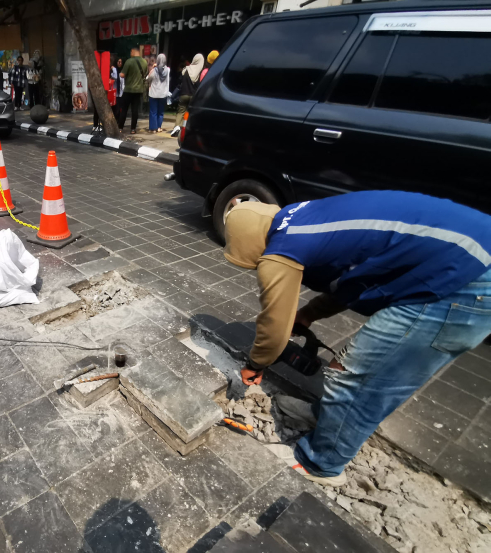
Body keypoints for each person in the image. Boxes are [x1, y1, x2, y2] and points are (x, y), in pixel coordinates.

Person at [221, 191, 491, 487]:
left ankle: (321, 464)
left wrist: (255, 365)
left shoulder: (280, 253)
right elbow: (352, 278)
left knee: (360, 378)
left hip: (464, 280)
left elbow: (274, 327)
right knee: (353, 369)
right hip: (465, 255)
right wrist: (309, 313)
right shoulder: (298, 217)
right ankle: (324, 416)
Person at [170, 53, 204, 137]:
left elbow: (179, 81)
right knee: (190, 113)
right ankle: (187, 129)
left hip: (183, 94)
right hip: (193, 96)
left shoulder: (186, 69)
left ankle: (177, 127)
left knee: (180, 112)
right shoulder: (199, 72)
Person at [116, 47, 148, 134]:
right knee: (135, 110)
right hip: (138, 90)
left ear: (133, 52)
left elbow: (122, 75)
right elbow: (145, 74)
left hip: (128, 89)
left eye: (130, 52)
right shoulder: (144, 62)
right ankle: (133, 129)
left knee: (124, 109)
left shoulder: (129, 61)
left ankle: (120, 127)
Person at [146, 54, 170, 133]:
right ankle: (159, 127)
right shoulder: (168, 70)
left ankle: (153, 128)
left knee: (153, 111)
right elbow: (168, 82)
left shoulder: (154, 70)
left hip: (153, 93)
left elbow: (148, 78)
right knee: (160, 112)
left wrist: (152, 68)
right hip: (163, 94)